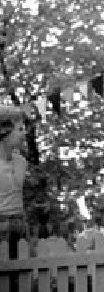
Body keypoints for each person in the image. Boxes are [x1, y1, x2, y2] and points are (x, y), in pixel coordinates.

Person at [0, 107, 28, 257]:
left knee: (21, 272)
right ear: (4, 133)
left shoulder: (21, 162)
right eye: (20, 129)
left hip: (19, 221)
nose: (25, 133)